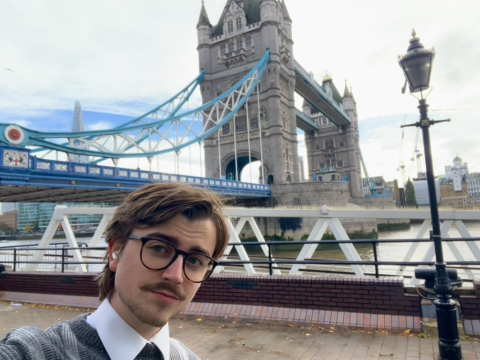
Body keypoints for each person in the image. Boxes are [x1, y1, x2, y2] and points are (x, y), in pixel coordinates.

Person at [0, 183, 229, 359]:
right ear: (115, 252)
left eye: (196, 261)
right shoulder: (35, 351)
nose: (176, 275)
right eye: (159, 248)